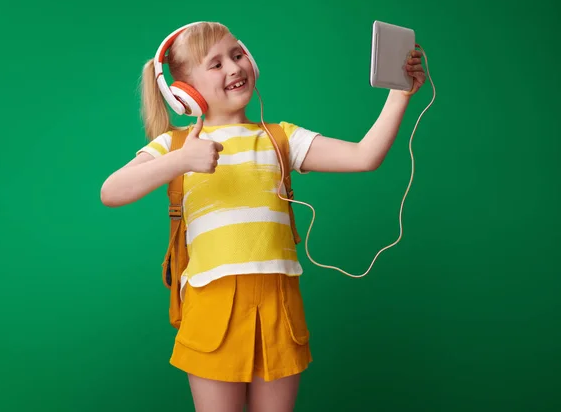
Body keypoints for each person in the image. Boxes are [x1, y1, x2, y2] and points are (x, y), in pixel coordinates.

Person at [100, 21, 426, 412]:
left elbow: (364, 156)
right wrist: (181, 160)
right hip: (213, 304)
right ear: (183, 94)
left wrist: (400, 94)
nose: (234, 68)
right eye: (215, 64)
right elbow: (111, 192)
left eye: (237, 55)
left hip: (279, 304)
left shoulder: (281, 138)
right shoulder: (176, 145)